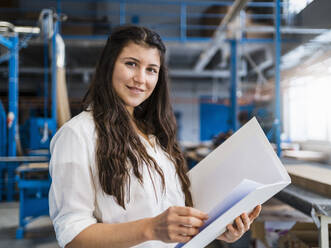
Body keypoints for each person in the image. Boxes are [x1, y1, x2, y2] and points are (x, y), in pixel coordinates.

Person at [48, 25, 261, 248]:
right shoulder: (77, 135)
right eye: (131, 64)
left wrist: (217, 229)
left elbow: (170, 218)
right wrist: (150, 228)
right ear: (108, 66)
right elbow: (73, 237)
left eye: (151, 70)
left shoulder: (153, 136)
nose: (141, 78)